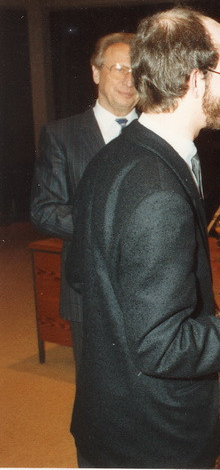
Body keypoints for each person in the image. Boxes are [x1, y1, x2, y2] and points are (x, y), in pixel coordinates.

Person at [64, 7, 220, 468]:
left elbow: (83, 275)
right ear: (197, 80)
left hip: (109, 415)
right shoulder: (157, 189)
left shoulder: (113, 155)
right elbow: (160, 345)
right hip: (154, 436)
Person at [30, 32, 139, 367]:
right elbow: (45, 210)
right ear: (96, 72)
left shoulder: (160, 135)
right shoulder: (61, 135)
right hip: (88, 289)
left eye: (136, 70)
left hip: (148, 290)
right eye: (118, 68)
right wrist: (107, 227)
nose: (128, 78)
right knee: (99, 398)